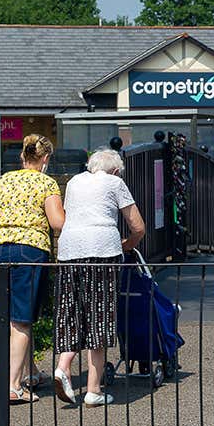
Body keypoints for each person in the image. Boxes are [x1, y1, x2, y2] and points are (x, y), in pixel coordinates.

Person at [52, 149, 146, 406]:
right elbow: (138, 226)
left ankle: (63, 367)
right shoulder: (115, 182)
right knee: (99, 314)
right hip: (102, 251)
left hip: (69, 251)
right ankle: (93, 390)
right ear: (116, 170)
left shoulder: (74, 182)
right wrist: (127, 244)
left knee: (71, 310)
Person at [0, 134, 66, 404]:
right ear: (45, 159)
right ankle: (14, 385)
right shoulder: (46, 182)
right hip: (29, 249)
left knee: (11, 315)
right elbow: (57, 222)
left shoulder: (2, 180)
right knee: (22, 319)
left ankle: (30, 372)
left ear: (22, 156)